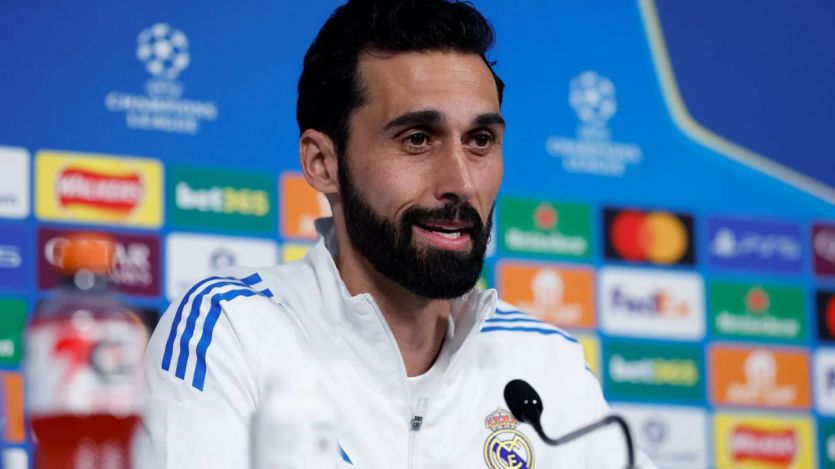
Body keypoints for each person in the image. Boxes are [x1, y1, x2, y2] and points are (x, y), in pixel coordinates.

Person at [139, 0, 655, 467]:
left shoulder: (546, 364)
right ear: (322, 162)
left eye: (480, 140)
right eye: (417, 139)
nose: (460, 182)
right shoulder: (232, 331)